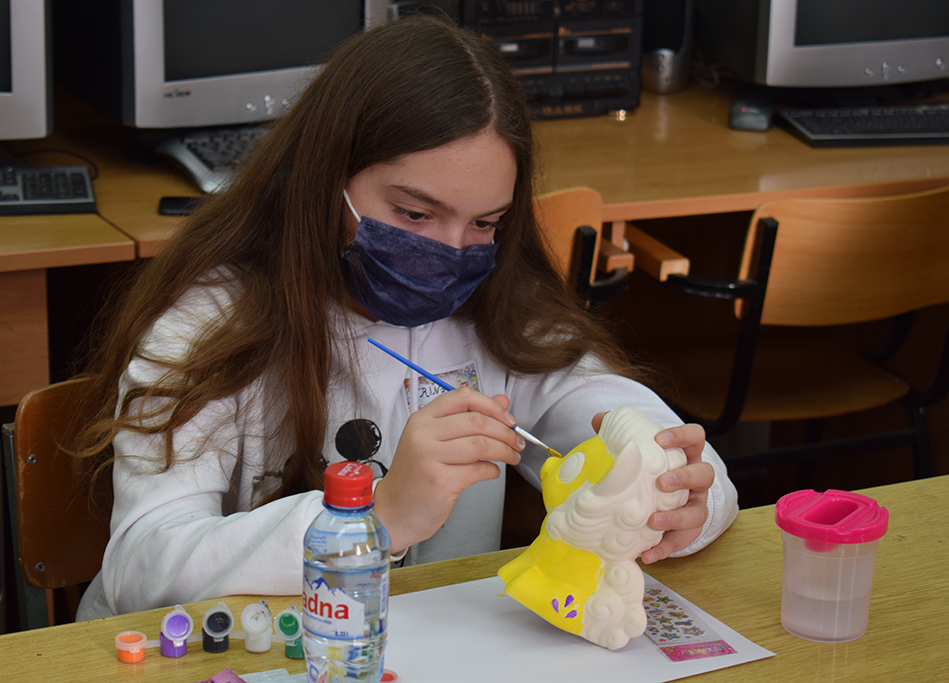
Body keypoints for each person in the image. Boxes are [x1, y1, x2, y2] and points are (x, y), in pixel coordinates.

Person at [74, 15, 738, 620]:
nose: (449, 253)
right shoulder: (213, 323)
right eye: (415, 214)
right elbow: (142, 568)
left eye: (484, 223)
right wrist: (374, 519)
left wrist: (677, 489)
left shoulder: (498, 313)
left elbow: (623, 418)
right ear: (326, 180)